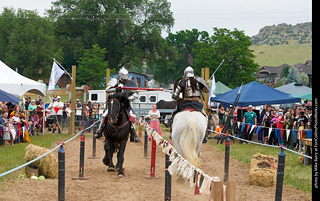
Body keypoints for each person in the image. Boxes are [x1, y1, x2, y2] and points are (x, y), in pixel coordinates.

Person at [96, 67, 140, 143]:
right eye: (123, 79)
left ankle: (133, 134)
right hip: (115, 103)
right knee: (104, 115)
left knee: (132, 118)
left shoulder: (132, 83)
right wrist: (116, 89)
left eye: (125, 79)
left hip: (126, 104)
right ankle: (99, 131)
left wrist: (127, 99)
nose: (124, 81)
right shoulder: (114, 81)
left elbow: (136, 94)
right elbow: (107, 90)